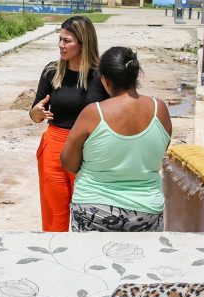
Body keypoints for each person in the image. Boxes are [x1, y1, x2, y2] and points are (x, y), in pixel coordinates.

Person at [61, 47, 172, 232]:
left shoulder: (93, 113)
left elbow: (68, 162)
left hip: (93, 209)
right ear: (136, 75)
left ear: (105, 80)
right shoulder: (159, 109)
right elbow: (159, 151)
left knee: (89, 259)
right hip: (146, 210)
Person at [29, 16, 107, 231]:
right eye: (60, 40)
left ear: (84, 43)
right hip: (54, 148)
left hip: (89, 151)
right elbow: (36, 114)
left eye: (67, 41)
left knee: (90, 217)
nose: (61, 46)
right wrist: (35, 113)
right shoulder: (51, 72)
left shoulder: (101, 77)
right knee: (55, 219)